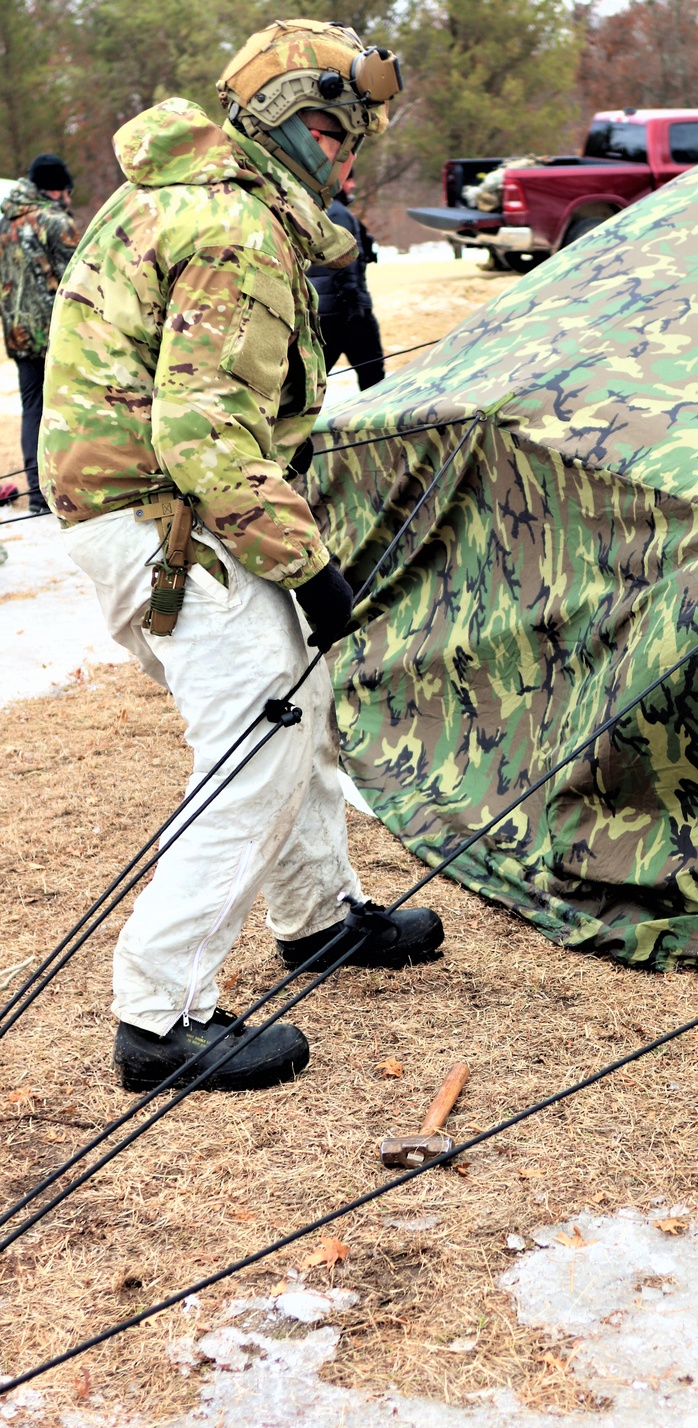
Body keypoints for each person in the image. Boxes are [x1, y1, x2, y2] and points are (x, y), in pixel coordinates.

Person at [38, 20, 443, 1094]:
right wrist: (310, 567)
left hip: (170, 510)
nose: (348, 157)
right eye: (338, 132)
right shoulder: (234, 228)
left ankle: (317, 918)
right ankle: (159, 1017)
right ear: (291, 122)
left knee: (293, 702)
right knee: (258, 735)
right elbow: (205, 433)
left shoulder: (208, 198)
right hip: (160, 517)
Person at [0, 154, 78, 514]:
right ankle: (69, 490)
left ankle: (38, 496)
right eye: (67, 191)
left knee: (33, 408)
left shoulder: (5, 221)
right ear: (56, 189)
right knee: (70, 407)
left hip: (17, 332)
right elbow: (80, 276)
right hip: (56, 332)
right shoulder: (54, 221)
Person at [308, 179, 385, 387]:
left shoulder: (312, 208)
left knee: (312, 379)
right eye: (349, 179)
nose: (353, 185)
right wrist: (355, 305)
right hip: (346, 310)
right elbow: (345, 261)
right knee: (373, 375)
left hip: (323, 311)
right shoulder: (339, 213)